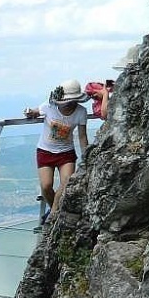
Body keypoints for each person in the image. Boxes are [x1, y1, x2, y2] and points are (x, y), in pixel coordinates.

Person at [23, 79, 90, 224]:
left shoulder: (81, 112)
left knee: (66, 182)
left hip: (66, 153)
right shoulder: (49, 107)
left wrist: (87, 156)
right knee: (46, 186)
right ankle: (55, 210)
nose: (69, 103)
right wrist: (30, 112)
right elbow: (36, 111)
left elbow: (82, 136)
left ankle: (53, 215)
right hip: (45, 151)